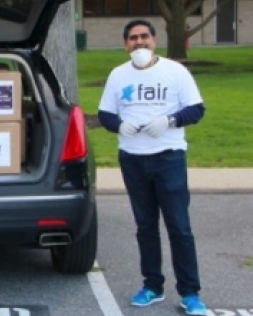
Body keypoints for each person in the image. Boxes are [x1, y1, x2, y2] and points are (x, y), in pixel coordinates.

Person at [97, 19, 207, 316]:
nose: (139, 42)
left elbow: (197, 109)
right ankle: (152, 286)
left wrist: (170, 121)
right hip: (133, 158)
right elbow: (105, 114)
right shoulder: (118, 75)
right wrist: (120, 125)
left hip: (168, 156)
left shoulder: (175, 71)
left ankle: (190, 293)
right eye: (133, 38)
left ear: (154, 40)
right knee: (145, 226)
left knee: (179, 227)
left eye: (144, 36)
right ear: (125, 44)